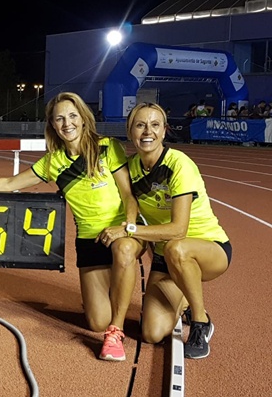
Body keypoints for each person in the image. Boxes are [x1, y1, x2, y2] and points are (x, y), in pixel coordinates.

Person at [0, 92, 144, 361]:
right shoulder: (53, 162)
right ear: (52, 125)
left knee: (123, 254)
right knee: (95, 322)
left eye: (72, 116)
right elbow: (10, 184)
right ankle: (108, 304)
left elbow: (128, 195)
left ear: (83, 118)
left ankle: (116, 331)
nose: (67, 124)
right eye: (60, 119)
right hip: (90, 239)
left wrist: (128, 226)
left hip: (121, 233)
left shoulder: (108, 147)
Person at [99, 102, 231, 359]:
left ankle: (201, 322)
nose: (147, 131)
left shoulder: (179, 164)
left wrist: (128, 230)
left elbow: (178, 230)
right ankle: (183, 299)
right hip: (165, 258)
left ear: (164, 131)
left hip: (208, 248)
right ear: (130, 131)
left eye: (155, 125)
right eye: (140, 125)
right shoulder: (131, 168)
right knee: (151, 333)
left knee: (176, 247)